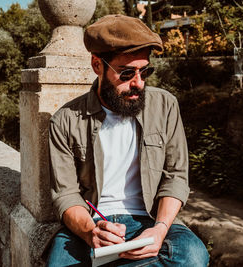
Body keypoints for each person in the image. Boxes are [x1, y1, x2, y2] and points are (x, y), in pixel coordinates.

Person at [46, 14, 209, 267]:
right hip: (94, 223)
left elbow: (176, 176)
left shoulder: (165, 106)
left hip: (151, 219)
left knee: (194, 257)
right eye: (126, 74)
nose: (139, 83)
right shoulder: (65, 120)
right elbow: (65, 195)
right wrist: (92, 233)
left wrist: (160, 230)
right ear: (97, 65)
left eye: (145, 72)